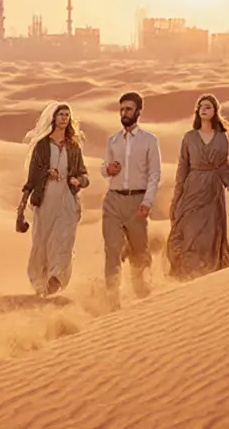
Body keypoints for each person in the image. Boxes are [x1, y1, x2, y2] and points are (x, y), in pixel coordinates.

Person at [16, 102, 90, 297]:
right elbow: (32, 178)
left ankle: (56, 278)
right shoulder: (42, 146)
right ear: (53, 119)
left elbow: (84, 175)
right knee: (43, 242)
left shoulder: (73, 147)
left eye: (67, 115)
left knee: (64, 239)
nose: (64, 118)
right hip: (46, 199)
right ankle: (41, 283)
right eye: (61, 115)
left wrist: (78, 181)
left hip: (67, 199)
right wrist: (22, 206)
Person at [167, 94, 229, 280]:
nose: (204, 109)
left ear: (215, 111)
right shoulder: (189, 138)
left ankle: (207, 278)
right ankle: (187, 276)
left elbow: (223, 165)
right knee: (188, 232)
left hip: (213, 193)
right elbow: (182, 168)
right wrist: (176, 198)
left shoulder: (221, 138)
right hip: (192, 190)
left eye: (208, 106)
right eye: (201, 106)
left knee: (209, 236)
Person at [100, 91, 160, 307]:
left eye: (129, 109)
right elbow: (103, 168)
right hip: (113, 201)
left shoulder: (149, 141)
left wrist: (148, 201)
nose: (124, 113)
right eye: (122, 109)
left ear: (138, 112)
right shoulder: (113, 141)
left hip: (137, 203)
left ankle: (142, 296)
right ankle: (112, 299)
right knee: (112, 249)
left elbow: (154, 174)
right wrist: (107, 169)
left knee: (139, 252)